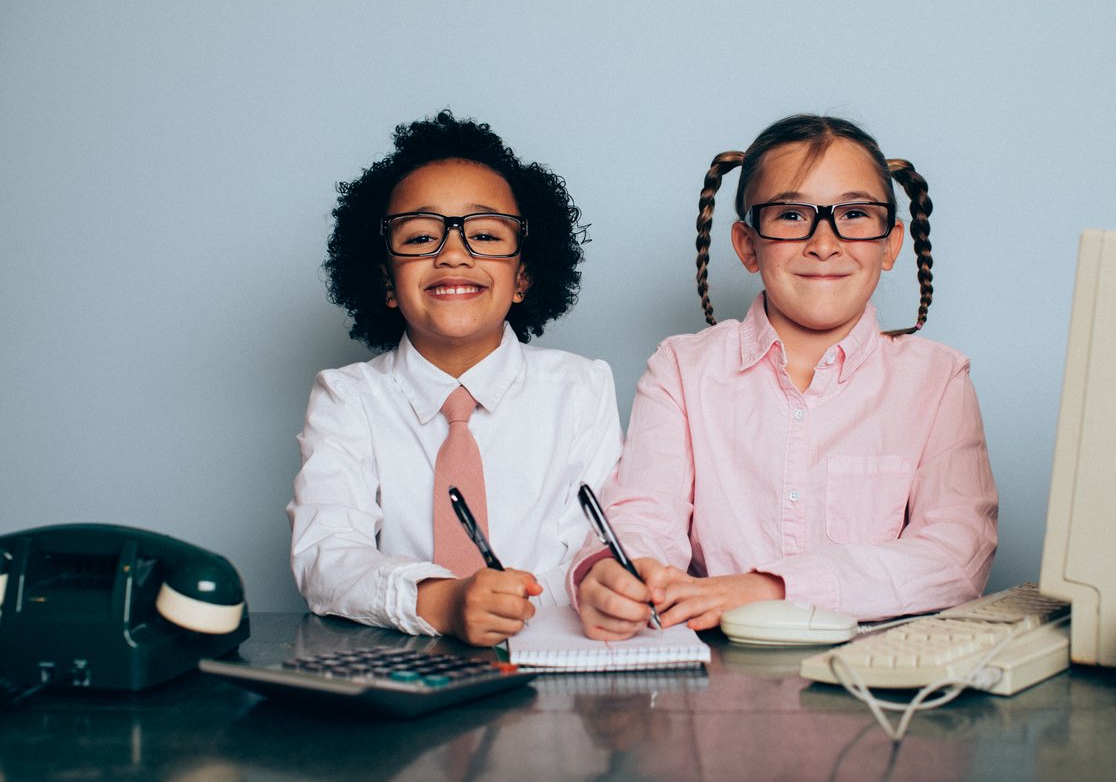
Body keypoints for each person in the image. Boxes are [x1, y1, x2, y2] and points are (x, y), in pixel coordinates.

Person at [571, 114, 997, 640]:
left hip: (873, 682)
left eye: (856, 214)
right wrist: (618, 570)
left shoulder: (938, 381)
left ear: (890, 245)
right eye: (792, 215)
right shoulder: (682, 369)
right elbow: (644, 514)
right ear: (748, 245)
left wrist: (769, 586)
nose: (824, 242)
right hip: (717, 677)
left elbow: (955, 557)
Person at [288, 111, 622, 646]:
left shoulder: (581, 389)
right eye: (421, 237)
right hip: (405, 670)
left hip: (553, 668)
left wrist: (607, 583)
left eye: (486, 234)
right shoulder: (347, 398)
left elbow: (594, 544)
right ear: (387, 281)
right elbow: (327, 556)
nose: (453, 253)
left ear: (524, 277)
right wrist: (441, 601)